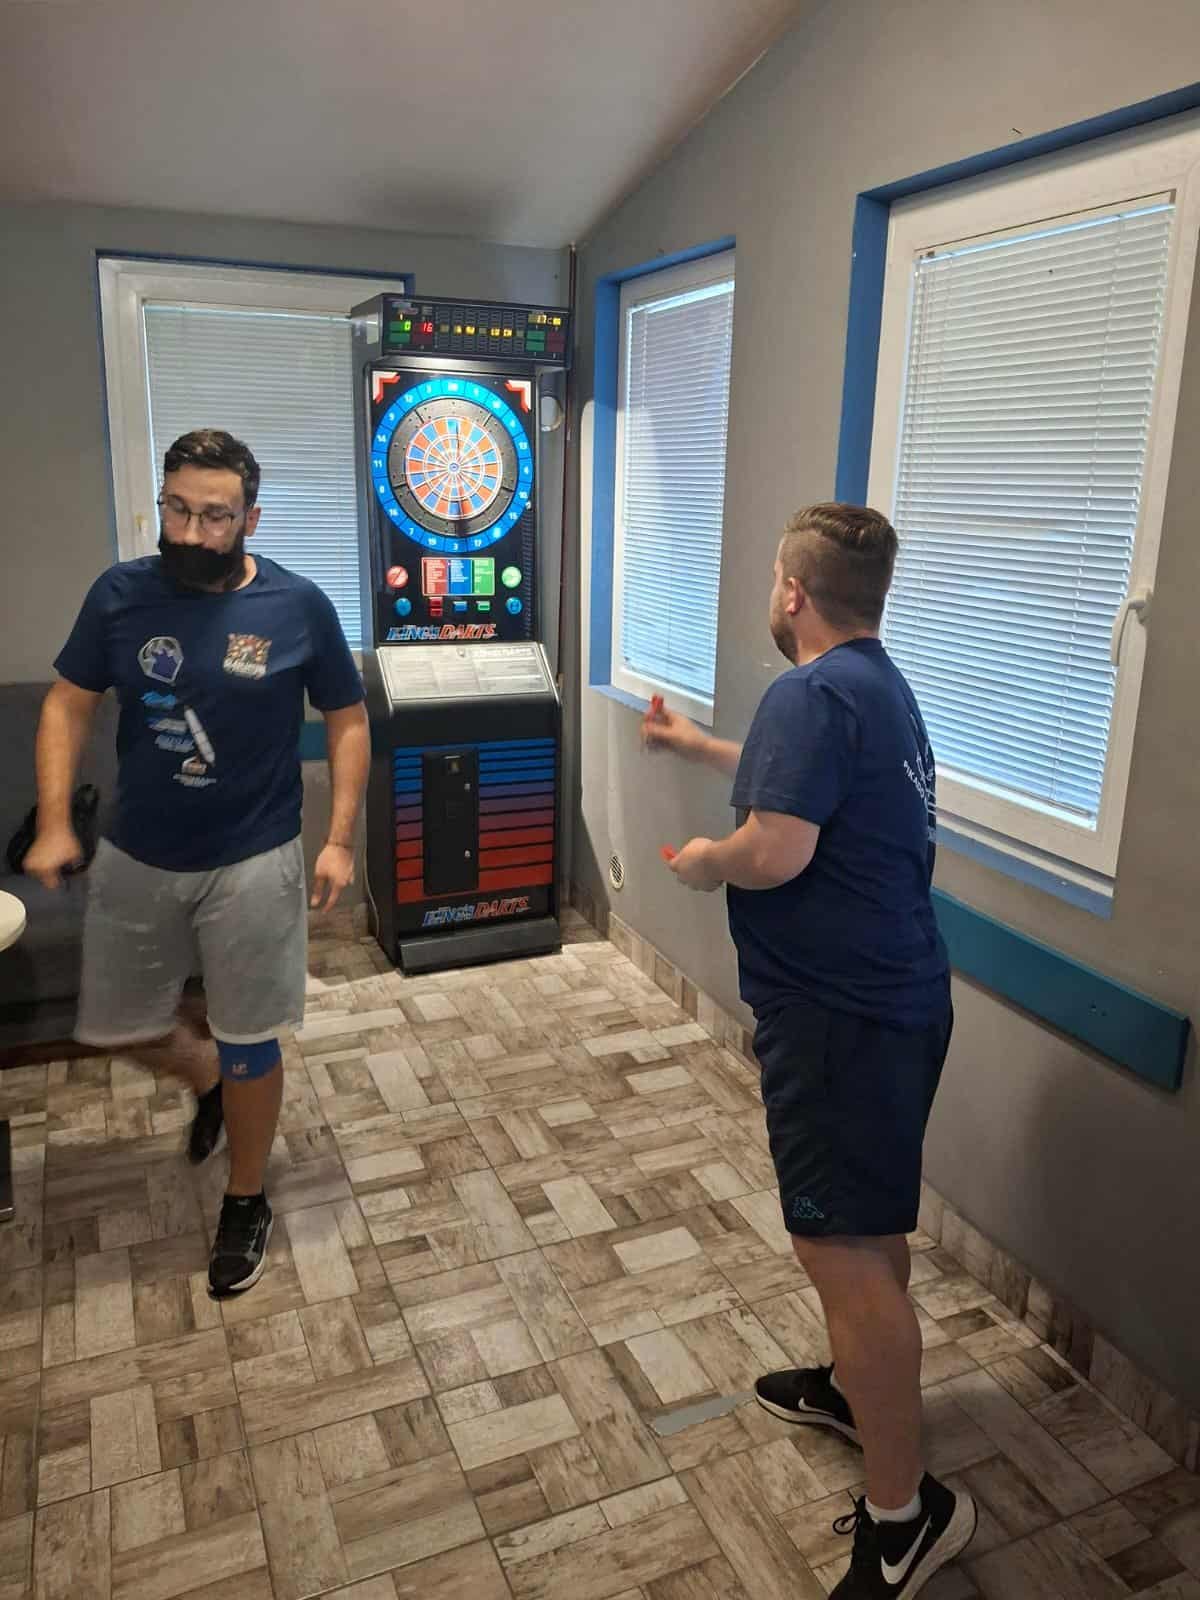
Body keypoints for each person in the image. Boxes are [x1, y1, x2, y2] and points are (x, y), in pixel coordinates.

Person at [643, 504, 975, 1599]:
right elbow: (806, 784)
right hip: (898, 1004)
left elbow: (777, 847)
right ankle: (850, 1389)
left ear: (792, 590)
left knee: (838, 1249)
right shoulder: (879, 686)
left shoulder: (808, 691)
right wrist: (696, 748)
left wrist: (704, 859)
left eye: (771, 581)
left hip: (840, 1021)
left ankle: (905, 1517)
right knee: (868, 1230)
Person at [26, 429, 369, 1299]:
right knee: (119, 1026)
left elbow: (347, 717)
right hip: (139, 854)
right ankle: (207, 1078)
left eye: (214, 516)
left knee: (252, 1039)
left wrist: (337, 838)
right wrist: (56, 822)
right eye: (176, 509)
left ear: (251, 518)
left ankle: (245, 1198)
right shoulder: (120, 596)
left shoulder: (297, 605)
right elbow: (66, 705)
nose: (190, 532)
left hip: (255, 858)